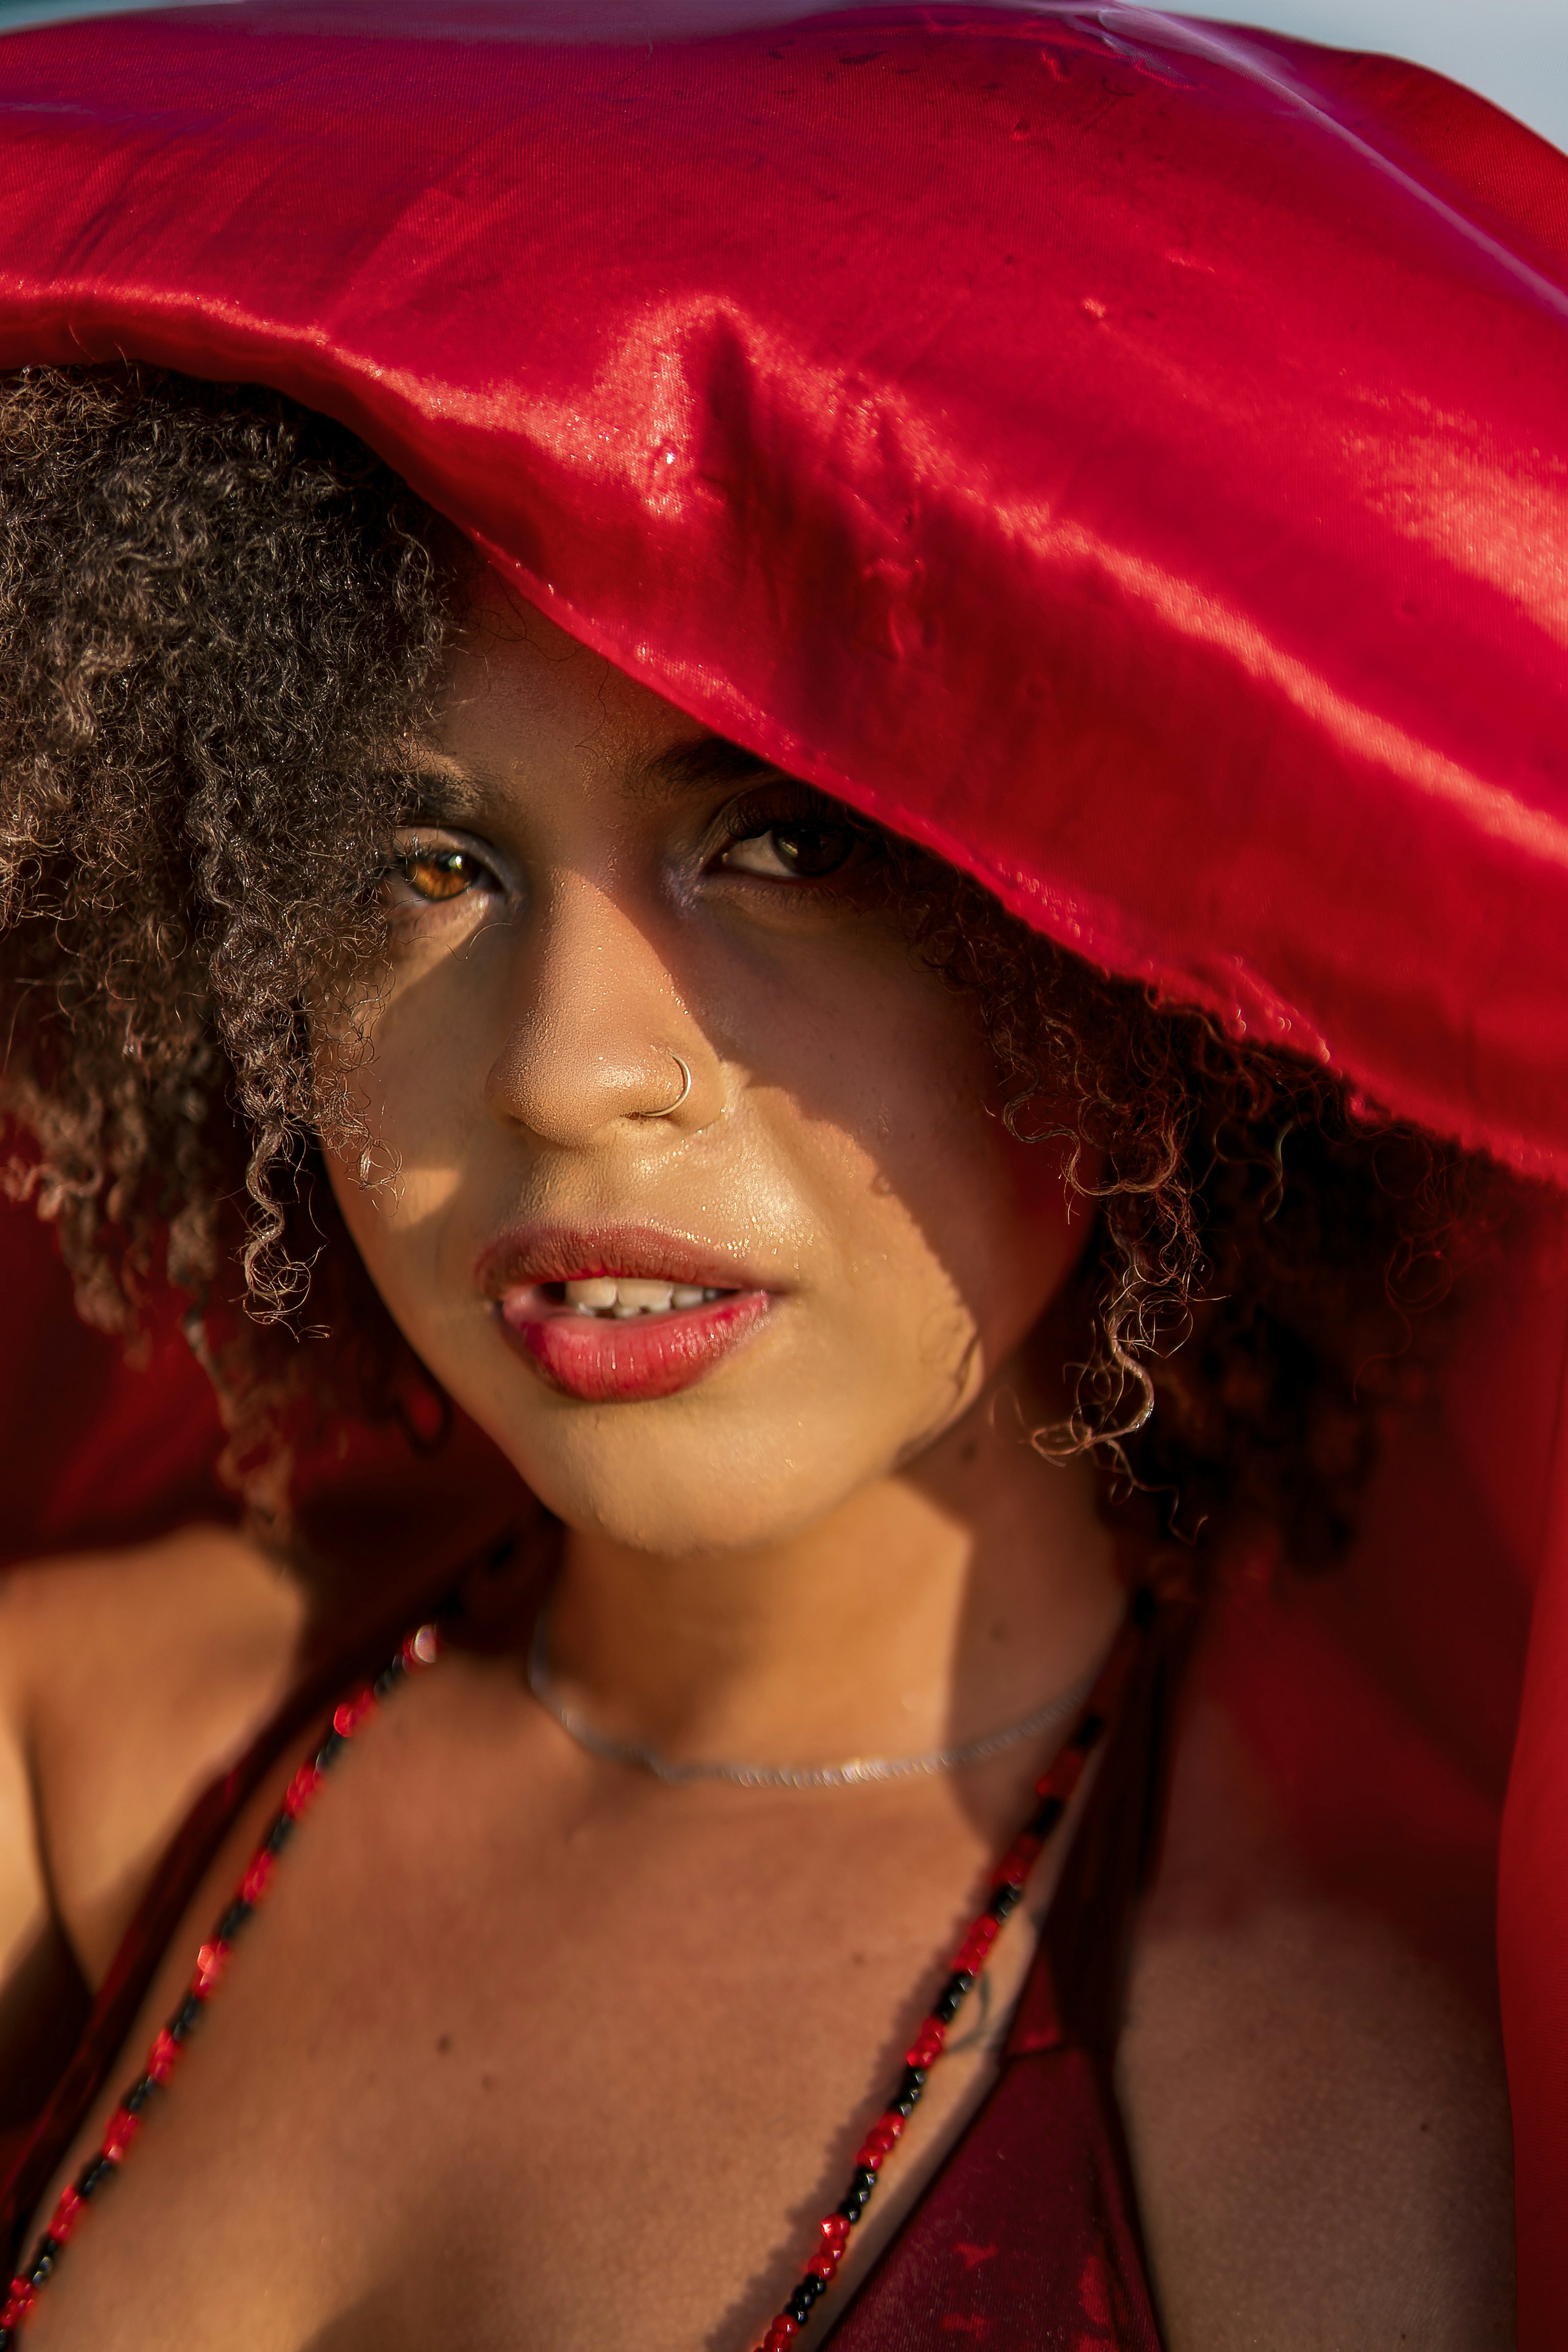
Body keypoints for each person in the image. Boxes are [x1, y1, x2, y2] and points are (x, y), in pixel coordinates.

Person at [0, 6, 1563, 2347]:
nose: (570, 1073)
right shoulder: (72, 1759)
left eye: (786, 843)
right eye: (420, 860)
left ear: (1128, 938)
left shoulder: (1306, 2107)